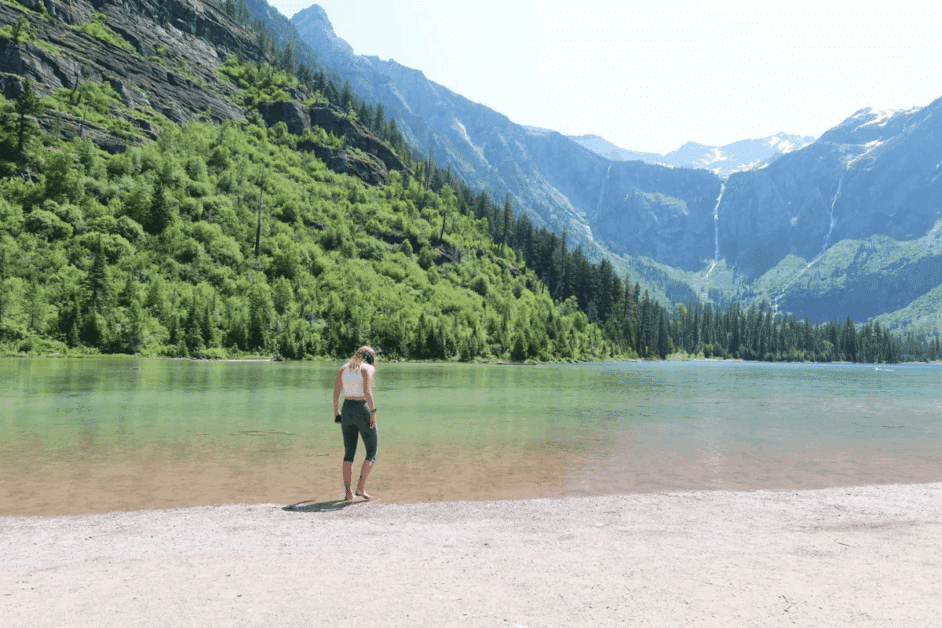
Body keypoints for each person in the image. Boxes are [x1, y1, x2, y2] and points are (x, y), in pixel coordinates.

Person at [332, 345, 378, 501]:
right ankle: (360, 488)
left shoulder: (344, 368)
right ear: (371, 357)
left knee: (349, 453)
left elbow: (336, 392)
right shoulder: (368, 368)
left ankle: (348, 493)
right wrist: (373, 412)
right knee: (372, 451)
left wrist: (336, 413)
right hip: (362, 408)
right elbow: (367, 391)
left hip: (346, 409)